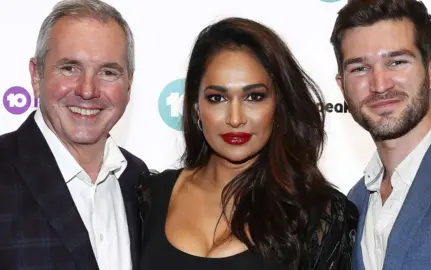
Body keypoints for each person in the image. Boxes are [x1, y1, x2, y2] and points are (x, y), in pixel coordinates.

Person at [137, 17, 358, 270]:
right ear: (196, 106)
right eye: (217, 98)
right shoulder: (148, 197)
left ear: (278, 105)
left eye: (254, 97)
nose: (235, 118)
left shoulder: (320, 215)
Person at [330, 0, 431, 269]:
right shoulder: (354, 203)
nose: (379, 84)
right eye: (360, 68)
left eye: (397, 62)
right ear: (342, 86)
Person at [0, 0, 148, 269]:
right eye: (70, 68)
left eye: (108, 72)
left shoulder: (142, 182)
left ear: (129, 85)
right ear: (36, 76)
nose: (88, 90)